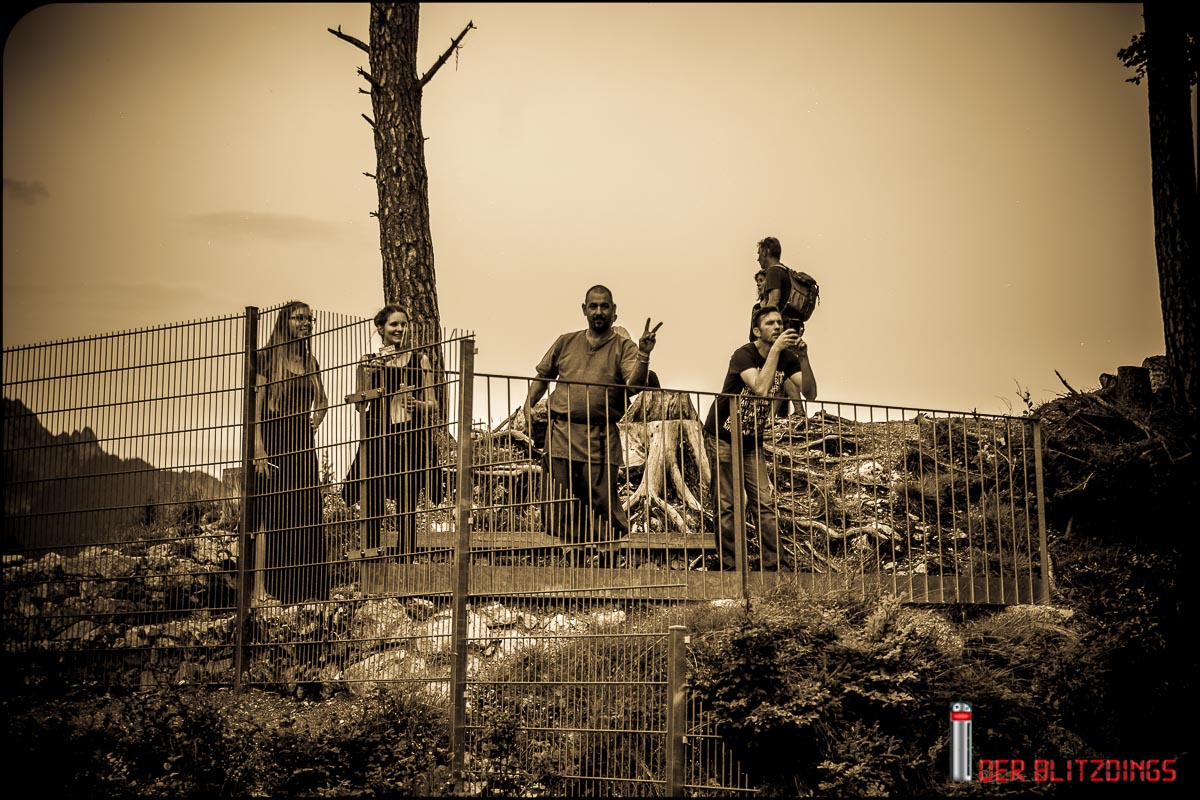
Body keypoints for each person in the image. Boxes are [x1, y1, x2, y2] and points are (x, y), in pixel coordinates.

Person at [522, 286, 662, 556]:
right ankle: (572, 556)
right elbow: (543, 376)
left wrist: (644, 355)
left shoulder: (624, 347)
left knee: (602, 499)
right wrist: (527, 406)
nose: (599, 311)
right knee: (561, 499)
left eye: (604, 306)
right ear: (584, 310)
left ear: (614, 311)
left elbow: (634, 384)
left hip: (600, 436)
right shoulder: (565, 342)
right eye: (594, 306)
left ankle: (607, 556)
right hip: (561, 433)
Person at [704, 305, 817, 571]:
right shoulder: (744, 355)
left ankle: (775, 566)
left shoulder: (787, 358)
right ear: (757, 331)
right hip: (722, 435)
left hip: (751, 440)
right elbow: (761, 388)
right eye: (770, 323)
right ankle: (730, 568)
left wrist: (803, 358)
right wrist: (776, 350)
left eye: (780, 323)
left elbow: (810, 393)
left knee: (765, 503)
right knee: (727, 504)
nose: (778, 327)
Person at [342, 304, 437, 557]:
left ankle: (407, 557)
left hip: (410, 438)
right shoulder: (368, 361)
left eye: (403, 324)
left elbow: (433, 403)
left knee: (408, 499)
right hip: (378, 437)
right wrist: (369, 375)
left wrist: (418, 405)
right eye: (394, 324)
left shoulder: (420, 359)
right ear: (381, 328)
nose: (400, 329)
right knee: (373, 497)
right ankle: (372, 558)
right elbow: (359, 406)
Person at [253, 300, 329, 604]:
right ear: (285, 321)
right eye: (299, 318)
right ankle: (263, 589)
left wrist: (316, 419)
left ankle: (306, 590)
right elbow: (256, 408)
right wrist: (259, 449)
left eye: (309, 319)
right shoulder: (267, 357)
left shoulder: (311, 361)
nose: (306, 323)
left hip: (302, 441)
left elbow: (322, 400)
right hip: (273, 438)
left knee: (305, 511)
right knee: (272, 513)